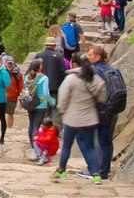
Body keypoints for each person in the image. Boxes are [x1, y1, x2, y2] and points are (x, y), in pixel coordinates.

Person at [52, 54, 107, 185]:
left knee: (67, 146)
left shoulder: (70, 79)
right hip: (90, 118)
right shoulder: (95, 78)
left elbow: (63, 97)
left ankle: (61, 170)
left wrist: (61, 109)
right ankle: (96, 174)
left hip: (72, 118)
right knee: (89, 146)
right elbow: (103, 97)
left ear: (75, 64)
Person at [87, 45, 120, 180]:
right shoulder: (113, 70)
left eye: (90, 55)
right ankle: (105, 169)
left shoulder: (96, 71)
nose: (87, 57)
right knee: (107, 141)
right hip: (113, 108)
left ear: (97, 57)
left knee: (96, 140)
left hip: (100, 110)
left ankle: (97, 170)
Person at [36, 36, 67, 127]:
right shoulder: (58, 57)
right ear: (54, 45)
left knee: (43, 110)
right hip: (55, 90)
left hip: (41, 90)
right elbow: (63, 73)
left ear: (45, 45)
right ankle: (55, 131)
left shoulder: (38, 56)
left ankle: (44, 129)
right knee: (56, 111)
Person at [23, 59, 55, 149]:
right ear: (39, 67)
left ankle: (32, 144)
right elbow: (45, 93)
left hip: (30, 103)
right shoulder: (44, 78)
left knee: (31, 124)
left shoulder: (28, 77)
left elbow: (25, 90)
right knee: (36, 126)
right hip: (41, 104)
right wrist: (51, 101)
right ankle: (36, 145)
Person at [3, 55, 24, 130]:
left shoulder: (18, 73)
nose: (10, 65)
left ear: (14, 63)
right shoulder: (2, 71)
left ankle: (9, 128)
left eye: (11, 63)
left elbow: (21, 86)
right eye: (8, 63)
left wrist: (21, 97)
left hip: (12, 96)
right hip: (1, 95)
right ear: (5, 63)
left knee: (10, 113)